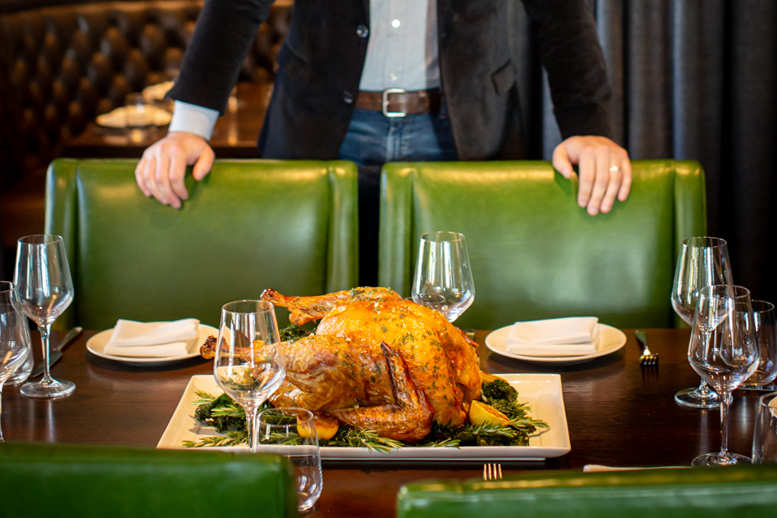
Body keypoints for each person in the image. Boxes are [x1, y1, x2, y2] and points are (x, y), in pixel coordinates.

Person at [135, 0, 631, 283]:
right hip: (321, 128)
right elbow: (236, 6)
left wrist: (589, 128)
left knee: (460, 312)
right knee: (309, 316)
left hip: (464, 130)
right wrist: (187, 130)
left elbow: (561, 14)